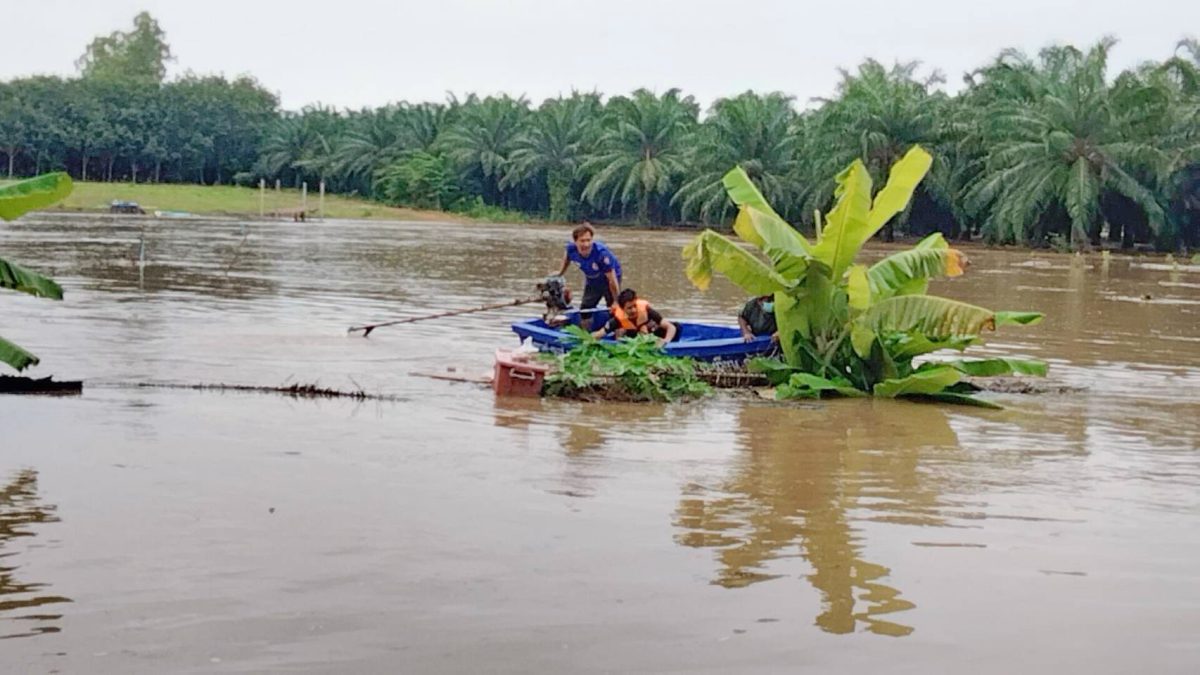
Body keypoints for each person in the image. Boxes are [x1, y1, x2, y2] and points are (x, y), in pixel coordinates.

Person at [551, 222, 622, 329]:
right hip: (592, 279)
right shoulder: (571, 249)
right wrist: (560, 273)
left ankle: (615, 332)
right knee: (585, 309)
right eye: (582, 241)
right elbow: (567, 259)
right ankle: (584, 334)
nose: (586, 245)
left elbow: (612, 280)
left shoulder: (601, 254)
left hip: (609, 279)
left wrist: (616, 301)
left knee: (613, 309)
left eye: (589, 240)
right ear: (575, 241)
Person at [592, 288, 678, 347]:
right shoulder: (617, 319)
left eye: (634, 306)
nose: (633, 310)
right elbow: (600, 333)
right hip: (635, 337)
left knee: (677, 327)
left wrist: (666, 341)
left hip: (652, 333)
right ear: (623, 309)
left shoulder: (647, 311)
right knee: (624, 332)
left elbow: (671, 327)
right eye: (629, 308)